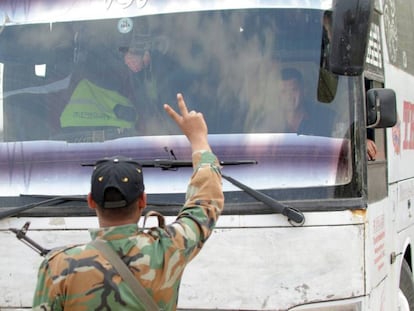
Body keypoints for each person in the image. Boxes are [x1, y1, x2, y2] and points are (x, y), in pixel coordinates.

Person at [33, 93, 224, 310]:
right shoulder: (169, 249)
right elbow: (205, 202)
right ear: (143, 200)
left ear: (91, 201)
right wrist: (198, 139)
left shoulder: (58, 268)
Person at [281, 67, 335, 136]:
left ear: (304, 91)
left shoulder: (325, 119)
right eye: (283, 91)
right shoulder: (271, 121)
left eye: (293, 90)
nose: (289, 96)